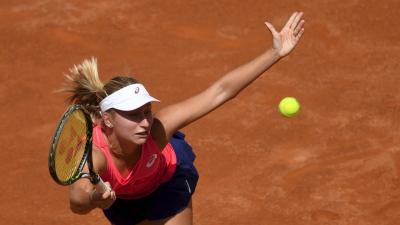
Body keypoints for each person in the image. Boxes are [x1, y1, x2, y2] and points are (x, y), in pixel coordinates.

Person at [62, 11, 305, 225]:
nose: (145, 122)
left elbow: (219, 92)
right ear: (108, 119)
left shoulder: (158, 129)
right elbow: (77, 200)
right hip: (124, 201)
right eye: (133, 115)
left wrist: (275, 53)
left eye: (147, 111)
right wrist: (95, 197)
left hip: (165, 183)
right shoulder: (96, 155)